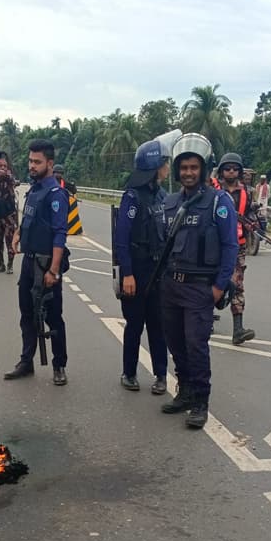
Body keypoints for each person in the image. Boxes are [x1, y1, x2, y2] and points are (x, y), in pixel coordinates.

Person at [159, 133, 238, 429]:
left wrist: (218, 287)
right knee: (176, 344)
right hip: (170, 286)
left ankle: (201, 402)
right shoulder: (169, 203)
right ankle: (185, 391)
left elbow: (231, 246)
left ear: (203, 170)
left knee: (196, 345)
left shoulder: (219, 202)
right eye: (184, 168)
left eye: (194, 168)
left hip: (199, 288)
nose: (188, 173)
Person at [4, 139, 70, 385]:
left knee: (53, 318)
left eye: (37, 162)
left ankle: (59, 365)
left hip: (46, 265)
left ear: (49, 164)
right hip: (29, 263)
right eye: (30, 161)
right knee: (27, 315)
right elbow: (28, 218)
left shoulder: (56, 194)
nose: (31, 165)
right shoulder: (33, 190)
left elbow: (59, 235)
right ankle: (26, 362)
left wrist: (53, 271)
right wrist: (19, 234)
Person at [114, 139, 170, 394]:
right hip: (136, 270)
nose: (168, 167)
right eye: (164, 162)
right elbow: (121, 238)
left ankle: (161, 375)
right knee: (135, 325)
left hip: (158, 273)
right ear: (155, 165)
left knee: (159, 326)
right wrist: (127, 273)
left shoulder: (162, 196)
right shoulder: (132, 196)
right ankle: (129, 373)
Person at [216, 152, 258, 344]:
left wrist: (252, 223)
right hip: (214, 245)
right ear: (221, 171)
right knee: (208, 280)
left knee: (237, 284)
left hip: (237, 245)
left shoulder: (247, 193)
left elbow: (251, 213)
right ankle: (206, 319)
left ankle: (238, 329)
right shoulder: (213, 189)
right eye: (227, 168)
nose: (231, 172)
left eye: (235, 168)